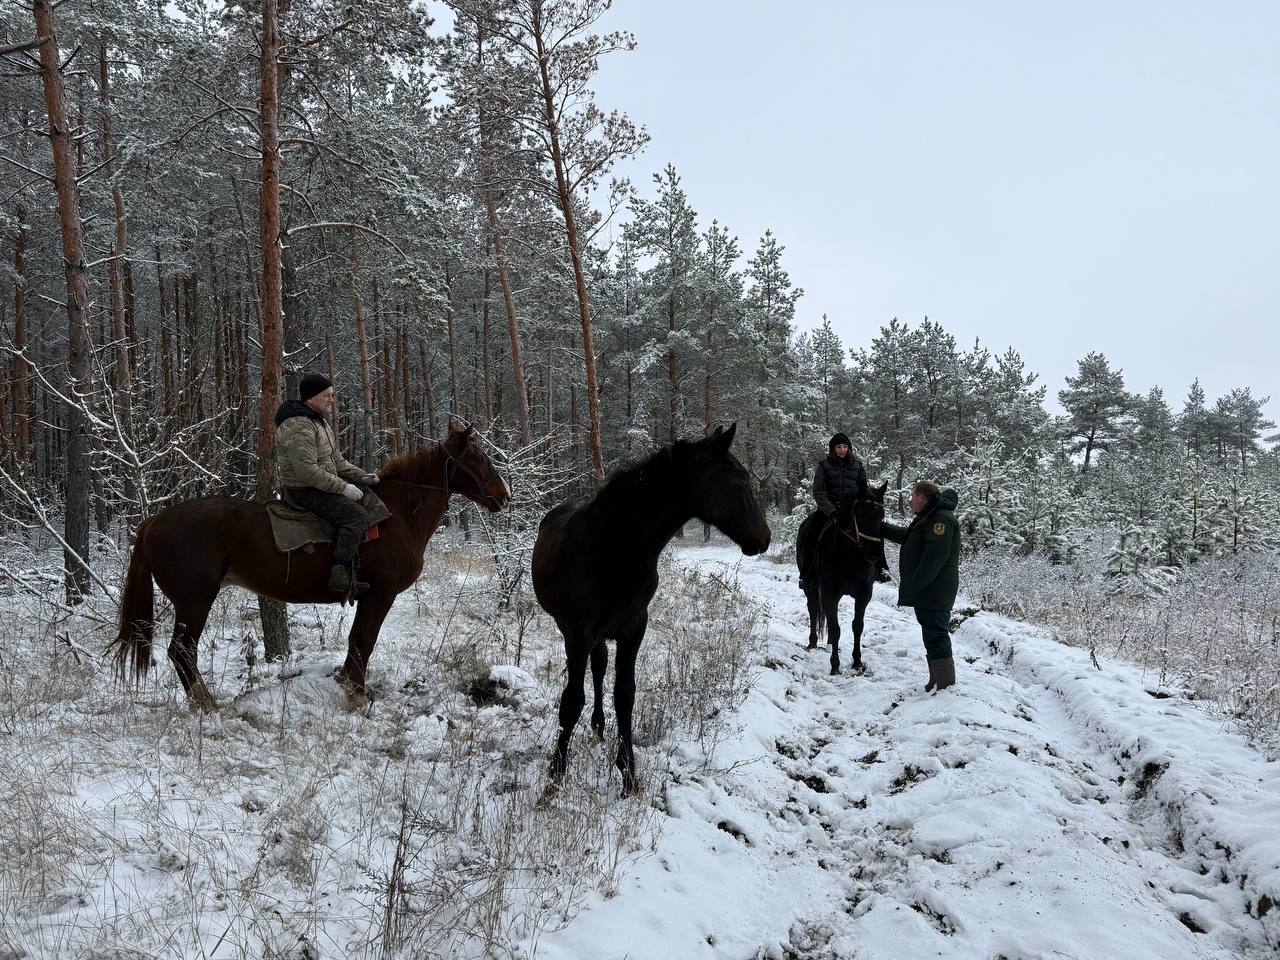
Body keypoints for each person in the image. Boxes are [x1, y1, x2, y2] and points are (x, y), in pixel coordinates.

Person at [274, 373, 380, 596]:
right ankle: (339, 576)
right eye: (327, 395)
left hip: (319, 485)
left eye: (332, 395)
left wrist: (361, 477)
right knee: (356, 515)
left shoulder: (318, 422)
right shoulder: (299, 426)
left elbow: (337, 462)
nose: (332, 399)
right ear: (311, 398)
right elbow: (307, 473)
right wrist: (343, 488)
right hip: (303, 491)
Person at [879, 480, 961, 692]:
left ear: (922, 497)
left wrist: (916, 583)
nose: (911, 501)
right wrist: (879, 527)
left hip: (935, 589)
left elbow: (935, 556)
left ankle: (946, 686)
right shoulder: (928, 517)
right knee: (931, 633)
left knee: (936, 633)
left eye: (913, 496)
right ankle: (936, 681)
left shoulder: (940, 519)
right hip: (929, 590)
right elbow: (908, 537)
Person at [810, 433, 891, 583]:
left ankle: (880, 568)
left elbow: (863, 489)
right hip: (829, 511)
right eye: (839, 447)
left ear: (849, 448)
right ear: (833, 449)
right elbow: (819, 492)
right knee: (810, 530)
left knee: (875, 531)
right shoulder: (824, 467)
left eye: (845, 447)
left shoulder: (857, 466)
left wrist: (873, 497)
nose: (842, 450)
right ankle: (808, 573)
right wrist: (831, 511)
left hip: (853, 510)